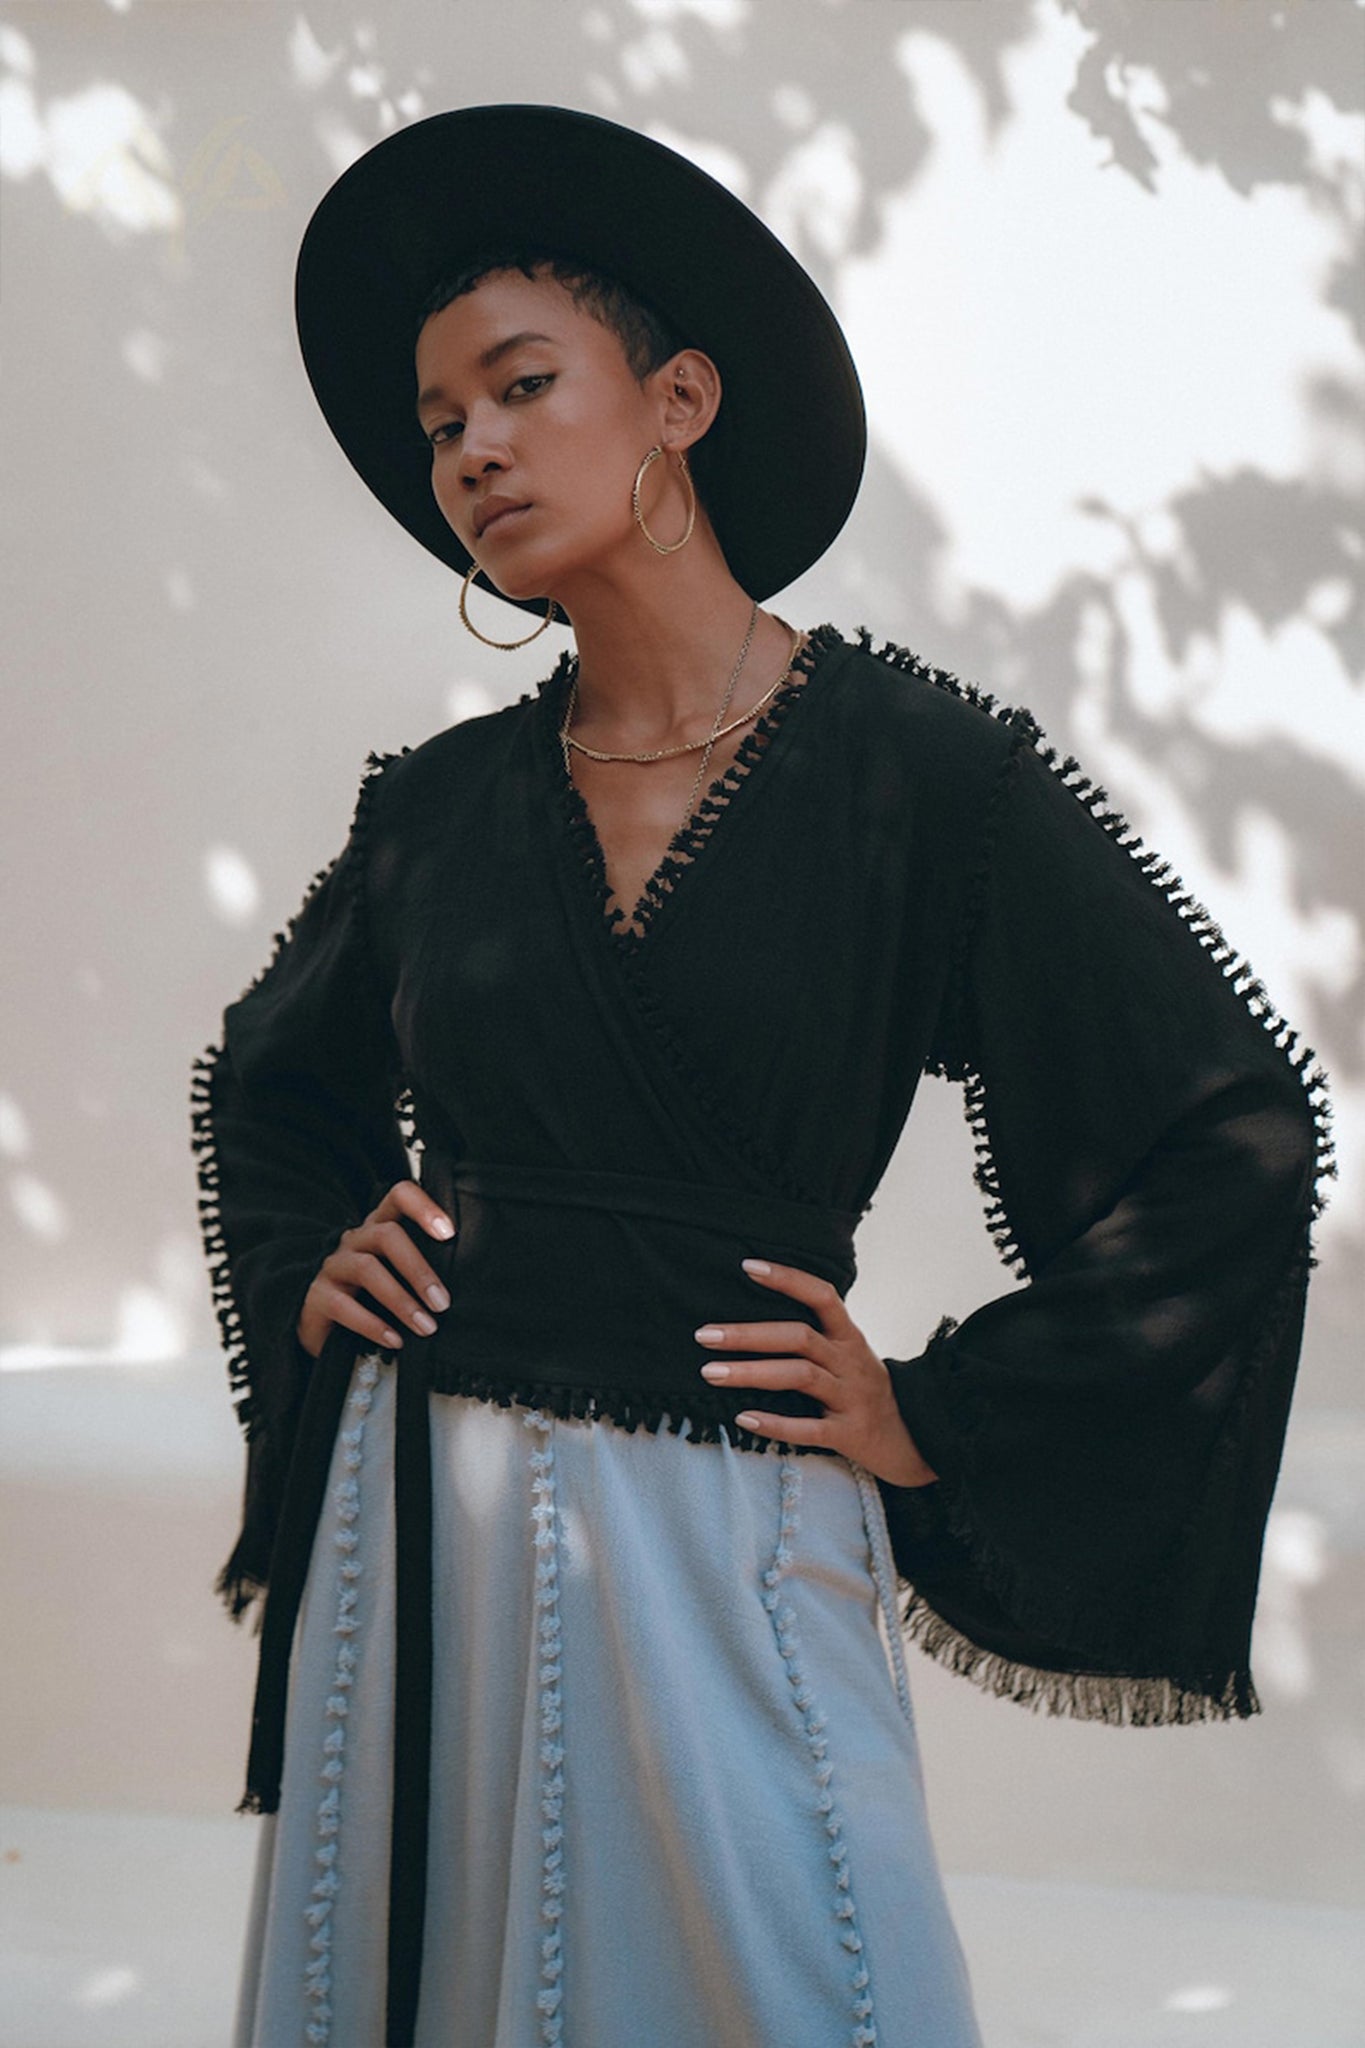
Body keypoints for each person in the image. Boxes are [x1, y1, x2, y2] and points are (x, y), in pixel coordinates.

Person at [192, 106, 1331, 2048]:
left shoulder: (919, 781)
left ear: (679, 398)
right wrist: (318, 1258)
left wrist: (928, 1409)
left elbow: (1226, 1127)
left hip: (734, 1517)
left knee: (815, 1983)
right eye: (435, 421)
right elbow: (269, 1085)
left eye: (519, 385)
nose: (469, 446)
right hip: (425, 1509)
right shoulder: (439, 812)